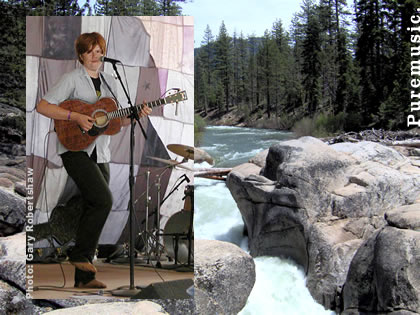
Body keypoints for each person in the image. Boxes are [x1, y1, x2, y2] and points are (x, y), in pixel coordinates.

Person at [36, 32, 151, 288]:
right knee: (103, 200)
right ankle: (79, 255)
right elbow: (43, 107)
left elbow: (114, 121)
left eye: (99, 50)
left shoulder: (110, 82)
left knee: (94, 205)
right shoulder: (71, 79)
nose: (96, 55)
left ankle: (84, 278)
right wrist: (74, 117)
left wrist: (137, 114)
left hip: (101, 152)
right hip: (74, 149)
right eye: (90, 51)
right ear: (81, 56)